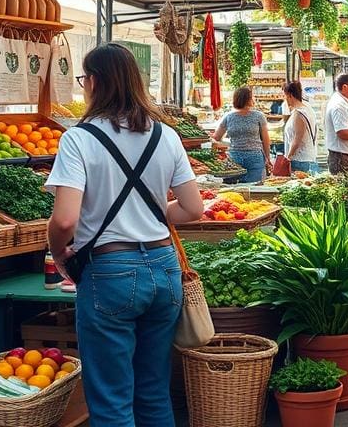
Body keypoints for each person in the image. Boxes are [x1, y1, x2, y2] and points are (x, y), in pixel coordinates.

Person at [46, 43, 204, 426]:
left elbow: (65, 220)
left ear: (95, 82)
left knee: (112, 399)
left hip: (110, 273)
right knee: (152, 391)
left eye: (84, 79)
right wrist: (149, 212)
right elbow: (192, 209)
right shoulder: (165, 135)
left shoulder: (78, 139)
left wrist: (58, 252)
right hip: (165, 269)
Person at [212, 86, 270, 184]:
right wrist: (267, 158)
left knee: (233, 189)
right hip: (254, 157)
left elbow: (216, 137)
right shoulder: (259, 116)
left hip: (235, 157)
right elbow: (266, 139)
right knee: (255, 188)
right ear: (248, 99)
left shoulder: (229, 117)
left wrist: (230, 143)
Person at [282, 80, 319, 175]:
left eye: (285, 96)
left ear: (290, 95)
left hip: (300, 161)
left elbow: (297, 139)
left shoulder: (299, 113)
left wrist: (287, 157)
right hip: (308, 158)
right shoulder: (307, 108)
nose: (285, 99)